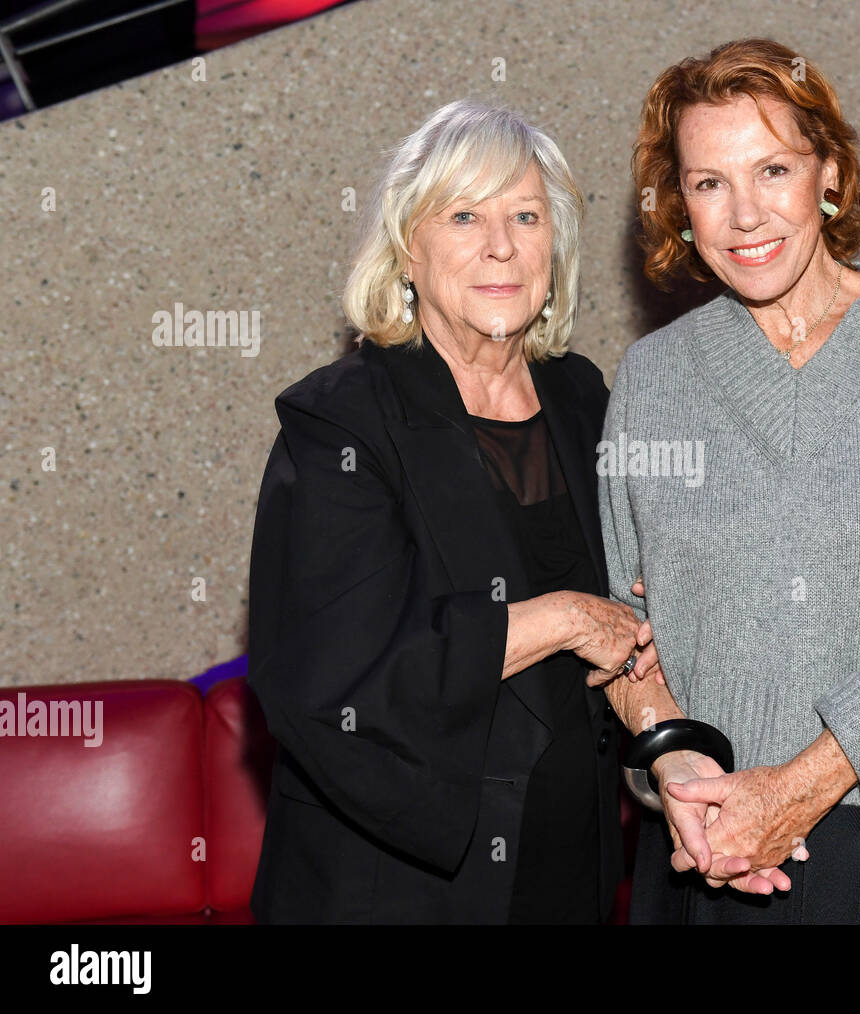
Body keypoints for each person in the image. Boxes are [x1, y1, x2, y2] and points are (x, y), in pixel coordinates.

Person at [597, 38, 860, 924]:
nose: (745, 214)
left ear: (828, 176)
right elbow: (622, 623)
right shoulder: (652, 377)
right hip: (704, 846)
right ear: (680, 203)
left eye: (774, 169)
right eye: (709, 182)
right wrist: (677, 766)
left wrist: (799, 787)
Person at [246, 100, 660, 924]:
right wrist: (566, 617)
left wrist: (676, 762)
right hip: (397, 889)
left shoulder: (583, 400)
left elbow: (635, 625)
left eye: (525, 216)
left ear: (556, 248)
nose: (500, 244)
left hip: (573, 870)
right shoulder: (341, 423)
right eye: (464, 214)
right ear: (407, 249)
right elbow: (337, 674)